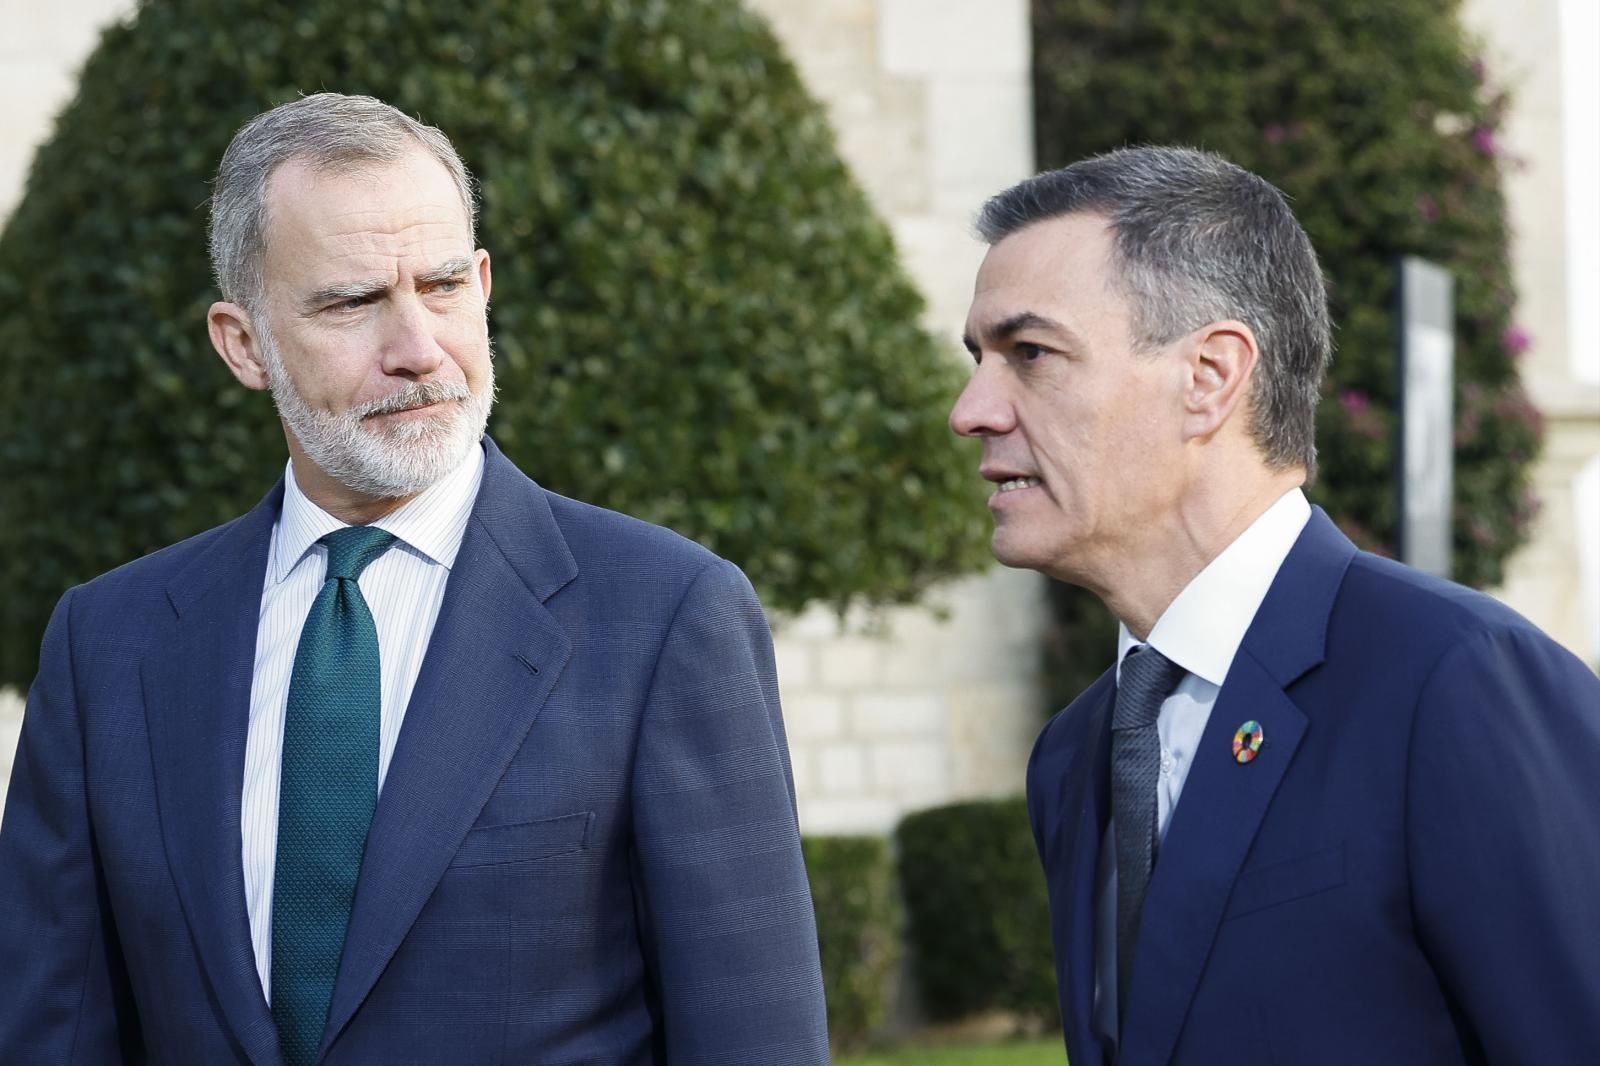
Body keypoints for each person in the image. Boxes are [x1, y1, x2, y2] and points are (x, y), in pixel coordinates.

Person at [0, 92, 828, 1066]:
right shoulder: (112, 642)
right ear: (241, 342)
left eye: (440, 287)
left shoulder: (667, 617)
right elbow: (51, 1032)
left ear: (482, 283)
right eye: (352, 302)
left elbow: (753, 1037)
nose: (416, 349)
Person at [951, 146, 1600, 1066]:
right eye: (979, 358)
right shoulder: (1076, 753)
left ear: (1211, 376)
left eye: (1031, 354)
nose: (972, 409)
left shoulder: (1457, 679)